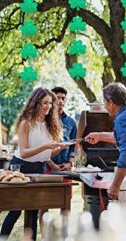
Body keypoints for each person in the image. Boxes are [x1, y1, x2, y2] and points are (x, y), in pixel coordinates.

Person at [0, 87, 63, 241]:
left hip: (39, 168)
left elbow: (46, 154)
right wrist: (46, 147)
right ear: (35, 103)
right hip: (20, 167)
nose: (48, 106)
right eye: (44, 103)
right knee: (16, 209)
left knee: (34, 209)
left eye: (49, 103)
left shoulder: (50, 124)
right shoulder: (25, 123)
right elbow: (24, 152)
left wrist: (58, 149)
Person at [39, 87, 77, 229]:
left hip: (65, 170)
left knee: (65, 204)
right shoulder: (44, 120)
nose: (61, 101)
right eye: (58, 98)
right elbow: (40, 146)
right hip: (46, 168)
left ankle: (64, 235)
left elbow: (73, 146)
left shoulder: (71, 122)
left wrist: (70, 163)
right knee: (44, 204)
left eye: (63, 98)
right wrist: (51, 164)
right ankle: (44, 236)